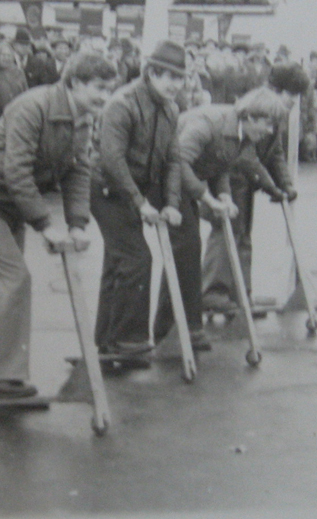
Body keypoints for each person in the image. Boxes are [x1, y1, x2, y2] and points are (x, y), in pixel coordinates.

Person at [0, 51, 117, 399]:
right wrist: (45, 226)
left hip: (13, 204)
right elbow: (16, 171)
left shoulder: (84, 118)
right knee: (14, 280)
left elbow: (77, 170)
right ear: (74, 82)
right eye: (99, 88)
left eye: (109, 89)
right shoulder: (32, 106)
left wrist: (76, 224)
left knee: (3, 286)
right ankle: (2, 378)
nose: (105, 97)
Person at [154, 88, 288, 351]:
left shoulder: (242, 134)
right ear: (250, 116)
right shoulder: (207, 124)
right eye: (267, 123)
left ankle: (178, 327)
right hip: (165, 175)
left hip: (184, 177)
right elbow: (177, 161)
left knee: (187, 249)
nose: (270, 131)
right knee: (186, 246)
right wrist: (207, 197)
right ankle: (177, 329)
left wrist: (225, 195)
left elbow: (222, 165)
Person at [91, 40, 186, 355]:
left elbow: (173, 159)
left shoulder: (171, 109)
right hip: (107, 188)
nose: (175, 85)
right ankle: (126, 339)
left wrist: (171, 203)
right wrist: (140, 203)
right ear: (151, 73)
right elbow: (112, 160)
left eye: (179, 78)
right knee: (136, 259)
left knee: (118, 261)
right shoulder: (123, 102)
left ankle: (107, 339)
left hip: (136, 191)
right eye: (168, 77)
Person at [201, 63, 308, 314]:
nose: (295, 101)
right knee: (225, 232)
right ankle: (213, 292)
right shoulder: (259, 107)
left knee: (244, 238)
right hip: (228, 178)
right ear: (276, 90)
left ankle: (240, 294)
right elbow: (246, 157)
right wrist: (272, 188)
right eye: (291, 95)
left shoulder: (275, 114)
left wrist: (286, 185)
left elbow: (275, 153)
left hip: (246, 181)